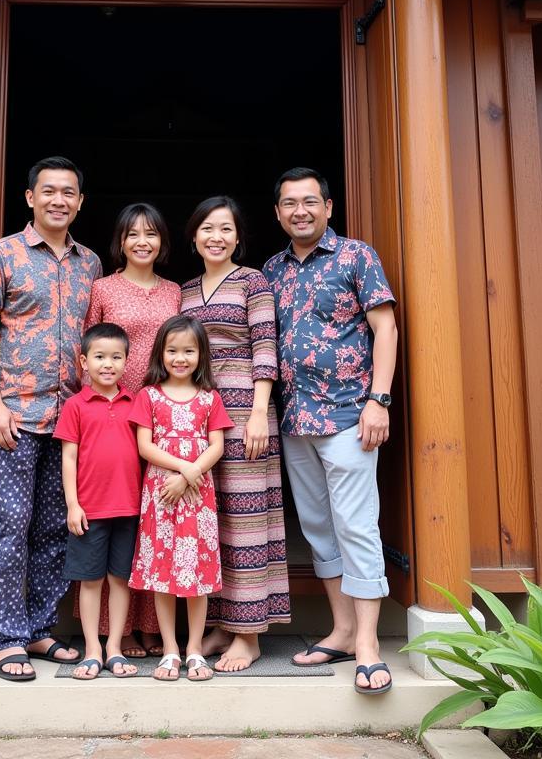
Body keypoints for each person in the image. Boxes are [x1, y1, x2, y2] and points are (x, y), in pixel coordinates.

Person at [0, 157, 102, 683]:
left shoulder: (89, 263)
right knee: (10, 526)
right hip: (16, 417)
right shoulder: (1, 255)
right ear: (30, 197)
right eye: (49, 191)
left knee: (54, 528)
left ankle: (42, 627)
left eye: (69, 192)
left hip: (69, 419)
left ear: (80, 202)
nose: (59, 200)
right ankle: (7, 638)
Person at [262, 167, 398, 695]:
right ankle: (341, 631)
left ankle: (368, 644)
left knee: (356, 525)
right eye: (290, 203)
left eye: (310, 202)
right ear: (277, 213)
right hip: (295, 419)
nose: (300, 211)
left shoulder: (356, 256)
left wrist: (378, 400)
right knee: (319, 527)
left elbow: (384, 325)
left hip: (349, 415)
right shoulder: (271, 270)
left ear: (329, 207)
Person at [179, 196, 291, 672]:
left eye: (225, 228)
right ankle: (223, 624)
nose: (216, 237)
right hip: (199, 414)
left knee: (247, 522)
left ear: (239, 237)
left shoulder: (254, 282)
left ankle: (249, 635)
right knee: (212, 519)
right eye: (207, 228)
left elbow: (266, 345)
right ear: (194, 237)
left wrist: (261, 413)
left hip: (247, 409)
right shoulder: (184, 291)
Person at [79, 203, 182, 657]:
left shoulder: (175, 291)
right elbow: (88, 349)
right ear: (120, 241)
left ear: (162, 242)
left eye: (152, 234)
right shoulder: (102, 287)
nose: (143, 241)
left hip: (161, 413)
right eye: (133, 234)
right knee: (116, 517)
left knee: (153, 521)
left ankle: (149, 626)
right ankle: (114, 632)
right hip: (114, 413)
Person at [128, 315, 233, 682]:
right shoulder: (149, 395)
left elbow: (217, 445)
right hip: (162, 497)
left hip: (198, 499)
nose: (180, 358)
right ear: (161, 353)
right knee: (164, 573)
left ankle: (194, 650)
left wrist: (190, 475)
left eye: (189, 350)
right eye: (172, 350)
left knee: (197, 575)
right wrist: (182, 471)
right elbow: (145, 445)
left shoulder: (209, 398)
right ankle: (170, 648)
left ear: (201, 355)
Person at [54, 323, 141, 681]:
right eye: (100, 357)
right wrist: (73, 505)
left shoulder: (135, 403)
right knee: (90, 582)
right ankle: (92, 649)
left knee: (120, 580)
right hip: (90, 510)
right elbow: (69, 458)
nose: (108, 364)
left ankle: (115, 647)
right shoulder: (76, 406)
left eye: (116, 357)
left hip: (129, 508)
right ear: (84, 361)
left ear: (126, 361)